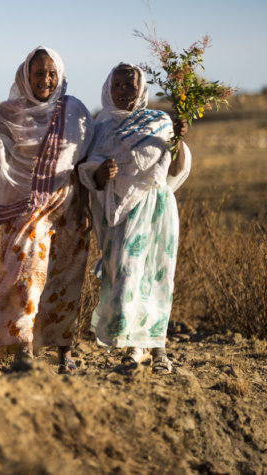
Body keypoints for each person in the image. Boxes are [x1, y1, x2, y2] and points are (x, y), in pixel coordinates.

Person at [0, 46, 92, 373]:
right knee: (26, 274)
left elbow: (81, 164)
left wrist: (84, 206)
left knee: (65, 278)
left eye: (52, 73)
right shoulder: (9, 113)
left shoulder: (76, 113)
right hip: (27, 205)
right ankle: (23, 346)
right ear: (27, 74)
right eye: (39, 73)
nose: (46, 80)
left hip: (67, 205)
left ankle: (64, 354)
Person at [77, 63, 191, 374]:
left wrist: (178, 140)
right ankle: (134, 345)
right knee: (126, 273)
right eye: (118, 85)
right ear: (108, 89)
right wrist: (102, 173)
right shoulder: (100, 129)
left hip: (155, 208)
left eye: (131, 85)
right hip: (117, 214)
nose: (124, 91)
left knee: (155, 277)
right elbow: (88, 173)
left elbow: (175, 169)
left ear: (141, 90)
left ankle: (157, 349)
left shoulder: (158, 121)